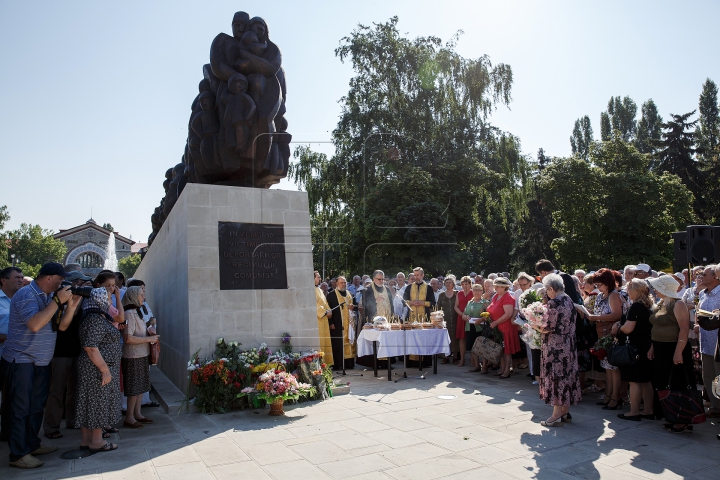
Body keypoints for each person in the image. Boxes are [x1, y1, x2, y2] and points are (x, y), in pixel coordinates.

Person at [2, 263, 80, 469]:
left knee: (36, 407)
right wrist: (56, 301)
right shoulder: (26, 294)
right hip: (21, 361)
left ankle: (30, 444)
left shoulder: (47, 297)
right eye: (61, 279)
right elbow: (35, 324)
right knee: (20, 409)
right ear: (48, 278)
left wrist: (71, 306)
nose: (64, 283)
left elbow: (62, 326)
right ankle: (18, 454)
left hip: (41, 361)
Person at [43, 270, 92, 439]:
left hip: (77, 351)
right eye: (78, 283)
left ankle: (73, 420)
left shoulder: (80, 300)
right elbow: (64, 323)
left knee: (75, 390)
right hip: (60, 353)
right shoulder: (55, 301)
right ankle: (51, 427)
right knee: (57, 390)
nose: (80, 287)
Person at [75, 287, 123, 451]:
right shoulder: (95, 319)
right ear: (99, 300)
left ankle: (87, 440)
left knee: (89, 403)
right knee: (97, 403)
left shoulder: (94, 317)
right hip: (96, 369)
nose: (110, 302)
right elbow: (91, 347)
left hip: (95, 368)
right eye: (109, 299)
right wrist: (105, 370)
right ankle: (96, 441)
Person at [647, 275, 693, 433]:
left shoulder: (678, 303)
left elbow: (684, 329)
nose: (655, 290)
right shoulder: (661, 303)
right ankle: (670, 415)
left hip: (674, 348)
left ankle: (682, 420)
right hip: (661, 349)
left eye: (658, 287)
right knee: (663, 382)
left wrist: (679, 352)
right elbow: (656, 327)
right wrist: (653, 347)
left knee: (677, 384)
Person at [536, 274, 582, 427]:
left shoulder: (554, 302)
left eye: (547, 290)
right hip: (568, 344)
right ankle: (564, 411)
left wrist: (534, 325)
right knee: (566, 376)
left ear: (551, 288)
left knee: (556, 377)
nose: (546, 293)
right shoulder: (568, 299)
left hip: (555, 346)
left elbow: (548, 327)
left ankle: (556, 414)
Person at [616, 279, 655, 421]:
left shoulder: (636, 307)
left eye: (629, 290)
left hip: (635, 347)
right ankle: (648, 410)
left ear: (636, 291)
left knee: (634, 381)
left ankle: (634, 411)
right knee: (646, 380)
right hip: (646, 345)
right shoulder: (648, 305)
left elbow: (628, 328)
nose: (627, 292)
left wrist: (618, 327)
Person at [588, 268, 625, 410]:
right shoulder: (600, 295)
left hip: (611, 336)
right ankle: (608, 395)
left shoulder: (614, 295)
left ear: (608, 282)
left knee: (613, 368)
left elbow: (617, 315)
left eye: (600, 284)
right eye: (596, 285)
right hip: (602, 335)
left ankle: (616, 397)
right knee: (607, 368)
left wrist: (596, 317)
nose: (598, 287)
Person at [121, 286, 158, 428]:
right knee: (134, 388)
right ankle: (129, 417)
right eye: (141, 295)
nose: (144, 298)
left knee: (141, 386)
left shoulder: (138, 311)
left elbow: (140, 331)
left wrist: (150, 325)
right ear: (133, 296)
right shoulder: (129, 313)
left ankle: (138, 414)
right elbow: (128, 338)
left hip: (142, 354)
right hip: (133, 356)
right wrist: (149, 339)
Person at [0, 266, 24, 442]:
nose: (20, 280)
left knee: (13, 399)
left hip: (16, 358)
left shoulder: (21, 299)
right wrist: (11, 337)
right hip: (2, 354)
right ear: (3, 280)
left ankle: (8, 434)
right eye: (16, 277)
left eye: (22, 277)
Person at [695, 265, 720, 417]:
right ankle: (715, 407)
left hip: (718, 342)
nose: (701, 277)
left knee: (719, 376)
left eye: (704, 274)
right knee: (708, 376)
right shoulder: (704, 294)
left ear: (715, 277)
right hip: (705, 341)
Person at [358, 270, 393, 368]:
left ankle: (386, 363)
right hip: (374, 321)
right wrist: (375, 301)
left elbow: (391, 304)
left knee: (386, 342)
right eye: (379, 279)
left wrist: (393, 317)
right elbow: (364, 303)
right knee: (376, 342)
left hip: (387, 321)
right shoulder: (368, 289)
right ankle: (375, 363)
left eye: (383, 279)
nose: (381, 281)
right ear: (374, 279)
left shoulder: (387, 289)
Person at [487, 277, 520, 378]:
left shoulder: (508, 297)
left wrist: (496, 322)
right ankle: (502, 368)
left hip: (505, 327)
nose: (495, 287)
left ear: (504, 287)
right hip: (497, 327)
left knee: (506, 349)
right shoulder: (497, 295)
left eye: (497, 286)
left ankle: (506, 370)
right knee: (500, 349)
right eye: (495, 285)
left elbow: (508, 314)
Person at [326, 276, 356, 370]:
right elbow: (328, 309)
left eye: (345, 282)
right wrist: (331, 322)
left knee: (349, 341)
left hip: (349, 324)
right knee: (338, 343)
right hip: (337, 324)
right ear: (337, 283)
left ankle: (349, 363)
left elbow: (354, 306)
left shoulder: (350, 294)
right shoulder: (331, 295)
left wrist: (353, 307)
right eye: (341, 283)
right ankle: (339, 364)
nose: (343, 284)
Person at [462, 283, 490, 373]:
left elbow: (489, 316)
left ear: (482, 291)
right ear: (472, 291)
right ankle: (476, 365)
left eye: (479, 290)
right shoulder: (469, 302)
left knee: (482, 347)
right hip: (470, 327)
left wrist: (481, 319)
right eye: (475, 290)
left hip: (481, 327)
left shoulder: (485, 303)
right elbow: (464, 314)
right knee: (473, 347)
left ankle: (484, 366)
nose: (477, 292)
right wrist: (465, 316)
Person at [314, 271, 334, 368]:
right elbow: (314, 304)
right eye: (318, 277)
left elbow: (325, 303)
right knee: (320, 342)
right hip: (317, 320)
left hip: (324, 320)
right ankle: (319, 365)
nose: (320, 279)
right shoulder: (310, 290)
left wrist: (329, 311)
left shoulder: (319, 290)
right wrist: (324, 312)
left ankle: (326, 364)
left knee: (325, 341)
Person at [437, 276, 458, 364]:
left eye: (450, 282)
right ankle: (446, 356)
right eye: (446, 282)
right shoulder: (441, 295)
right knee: (446, 337)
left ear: (453, 284)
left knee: (456, 337)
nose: (448, 284)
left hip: (456, 318)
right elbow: (438, 308)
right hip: (445, 320)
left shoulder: (457, 293)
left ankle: (456, 356)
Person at [454, 276, 473, 367]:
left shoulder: (473, 292)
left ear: (470, 284)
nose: (465, 286)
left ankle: (474, 361)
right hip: (461, 318)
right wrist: (462, 315)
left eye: (466, 284)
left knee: (472, 339)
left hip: (471, 318)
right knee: (461, 339)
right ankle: (462, 359)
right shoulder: (459, 293)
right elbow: (456, 306)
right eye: (463, 284)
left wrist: (469, 316)